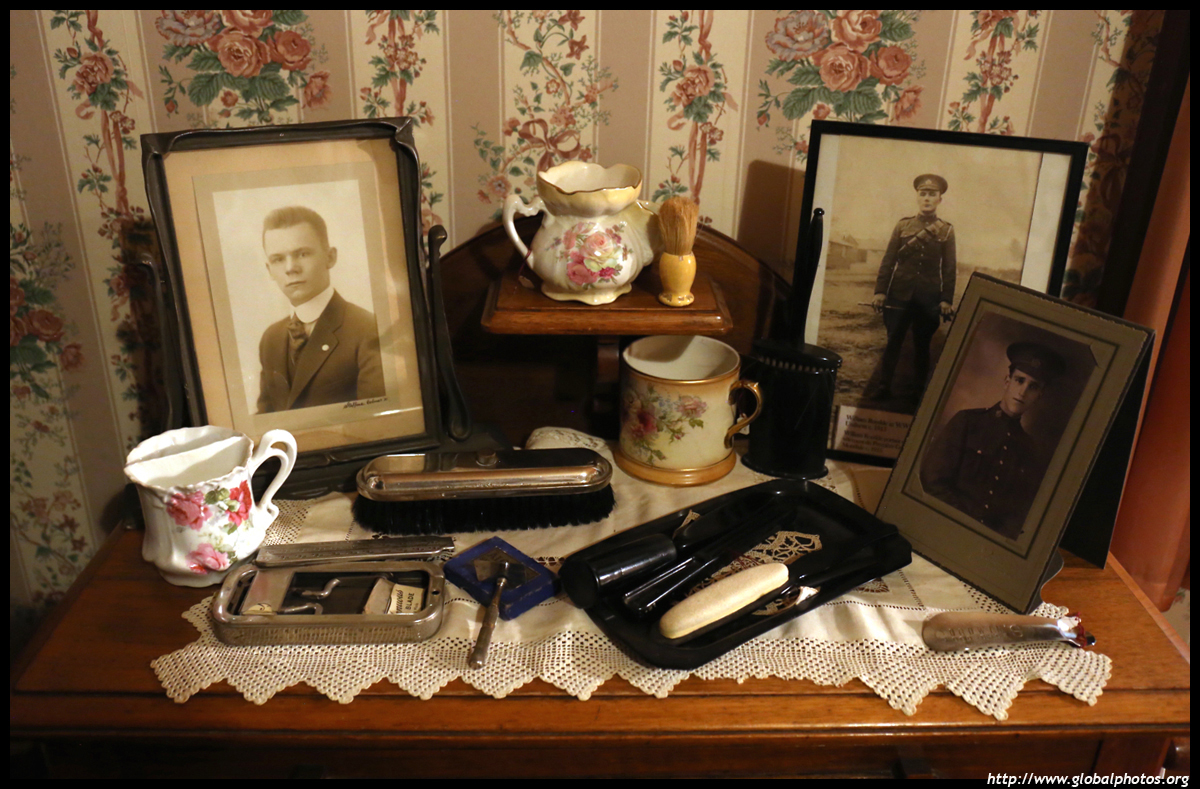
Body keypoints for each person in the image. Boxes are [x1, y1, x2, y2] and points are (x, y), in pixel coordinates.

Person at [919, 341, 1067, 540]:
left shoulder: (1028, 449)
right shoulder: (967, 422)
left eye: (1033, 387)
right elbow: (932, 481)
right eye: (1019, 380)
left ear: (1039, 395)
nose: (1023, 392)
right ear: (1007, 381)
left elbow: (1018, 513)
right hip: (944, 527)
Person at [256, 206, 385, 413]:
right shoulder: (270, 339)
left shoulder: (367, 329)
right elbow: (265, 419)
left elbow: (376, 418)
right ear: (269, 269)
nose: (290, 268)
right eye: (278, 259)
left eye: (302, 254)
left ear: (330, 257)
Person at [870, 174, 957, 401]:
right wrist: (880, 291)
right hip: (899, 294)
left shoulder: (946, 230)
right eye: (923, 194)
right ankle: (883, 386)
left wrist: (945, 299)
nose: (927, 198)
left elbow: (949, 268)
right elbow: (888, 261)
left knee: (922, 345)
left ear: (940, 199)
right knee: (893, 342)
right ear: (917, 197)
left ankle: (917, 391)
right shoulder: (903, 226)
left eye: (932, 194)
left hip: (928, 298)